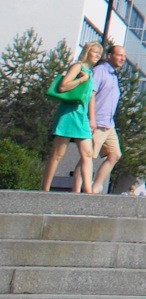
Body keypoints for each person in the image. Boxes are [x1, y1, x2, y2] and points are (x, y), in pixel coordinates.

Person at [40, 42, 102, 193]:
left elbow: (90, 97)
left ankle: (87, 190)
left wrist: (91, 118)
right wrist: (81, 79)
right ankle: (45, 188)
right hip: (69, 114)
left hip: (81, 116)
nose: (97, 56)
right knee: (58, 153)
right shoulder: (78, 67)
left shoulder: (90, 72)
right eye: (94, 53)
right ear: (87, 52)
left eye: (99, 54)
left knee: (88, 153)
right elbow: (63, 86)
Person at [89, 43, 126, 194]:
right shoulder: (100, 71)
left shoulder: (114, 75)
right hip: (97, 122)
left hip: (109, 124)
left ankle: (95, 187)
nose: (122, 58)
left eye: (124, 56)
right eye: (119, 55)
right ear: (109, 56)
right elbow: (90, 94)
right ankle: (79, 190)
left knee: (114, 154)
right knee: (88, 157)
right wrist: (92, 119)